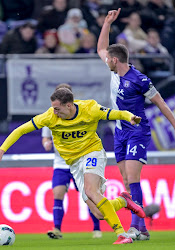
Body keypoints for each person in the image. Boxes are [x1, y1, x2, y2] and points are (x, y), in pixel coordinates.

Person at [0, 87, 146, 245]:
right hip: (74, 164)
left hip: (92, 153)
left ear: (68, 105)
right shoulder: (49, 117)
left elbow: (116, 113)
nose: (54, 112)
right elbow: (21, 130)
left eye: (57, 108)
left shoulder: (90, 109)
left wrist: (130, 116)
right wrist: (2, 150)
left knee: (91, 191)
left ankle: (122, 234)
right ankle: (123, 201)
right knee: (99, 213)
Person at [97, 8, 175, 241]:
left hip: (137, 131)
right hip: (120, 132)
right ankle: (143, 229)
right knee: (126, 180)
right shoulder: (115, 73)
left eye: (108, 59)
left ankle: (136, 226)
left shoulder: (140, 80)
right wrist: (107, 23)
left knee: (133, 179)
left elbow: (161, 104)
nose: (105, 59)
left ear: (115, 60)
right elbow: (100, 47)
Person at [43, 83, 101, 239]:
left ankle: (97, 228)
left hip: (79, 163)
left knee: (89, 195)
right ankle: (57, 229)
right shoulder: (50, 116)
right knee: (58, 193)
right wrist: (47, 143)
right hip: (61, 164)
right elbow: (45, 138)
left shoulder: (80, 113)